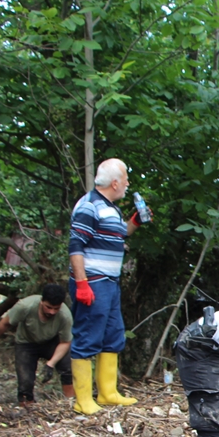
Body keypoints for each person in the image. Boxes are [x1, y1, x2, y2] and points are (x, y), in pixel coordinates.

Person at [67, 158, 147, 415]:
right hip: (93, 282)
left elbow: (119, 234)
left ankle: (107, 392)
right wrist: (81, 283)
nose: (127, 184)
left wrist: (135, 221)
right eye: (125, 179)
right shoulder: (89, 205)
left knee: (113, 335)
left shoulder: (110, 208)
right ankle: (83, 399)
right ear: (115, 182)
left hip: (110, 282)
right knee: (87, 335)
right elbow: (75, 245)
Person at [0, 284, 75, 405]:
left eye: (56, 308)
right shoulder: (25, 306)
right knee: (25, 381)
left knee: (67, 367)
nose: (52, 312)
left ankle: (70, 401)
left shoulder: (65, 315)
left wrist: (51, 364)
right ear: (41, 302)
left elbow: (65, 342)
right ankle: (27, 405)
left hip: (51, 342)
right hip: (26, 343)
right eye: (48, 307)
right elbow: (4, 325)